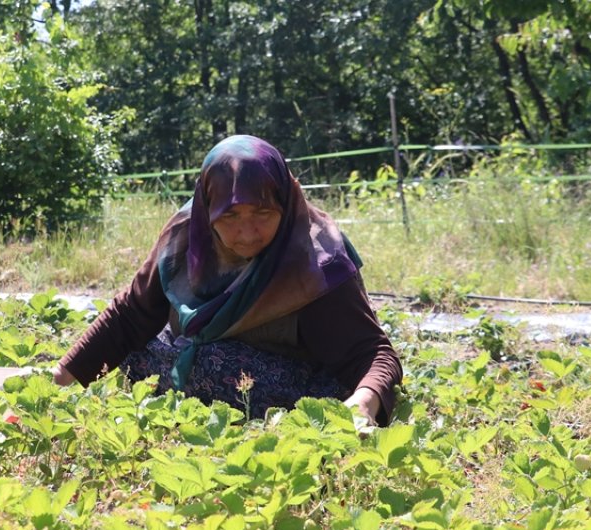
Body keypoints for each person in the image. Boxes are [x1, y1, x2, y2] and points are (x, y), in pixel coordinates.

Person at [52, 135, 402, 426]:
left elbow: (374, 353)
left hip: (285, 381)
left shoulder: (315, 261)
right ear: (208, 212)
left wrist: (363, 402)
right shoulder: (184, 239)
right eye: (230, 216)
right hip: (195, 360)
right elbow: (129, 315)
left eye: (264, 214)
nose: (247, 233)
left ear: (285, 204)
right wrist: (58, 384)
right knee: (136, 347)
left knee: (213, 361)